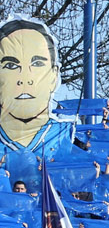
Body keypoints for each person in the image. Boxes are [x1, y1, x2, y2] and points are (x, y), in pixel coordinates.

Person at [0, 18, 72, 159]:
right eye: (11, 66)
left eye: (37, 64)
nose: (25, 78)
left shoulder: (69, 136)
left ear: (54, 75)